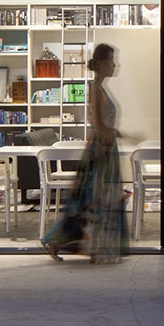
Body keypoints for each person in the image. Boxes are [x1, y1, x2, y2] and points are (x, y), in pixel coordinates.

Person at [42, 43, 129, 263]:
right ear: (100, 63)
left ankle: (95, 247)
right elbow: (100, 127)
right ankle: (63, 242)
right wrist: (123, 133)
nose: (114, 65)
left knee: (96, 200)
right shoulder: (95, 89)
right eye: (110, 60)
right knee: (95, 201)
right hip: (100, 151)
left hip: (104, 149)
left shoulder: (99, 88)